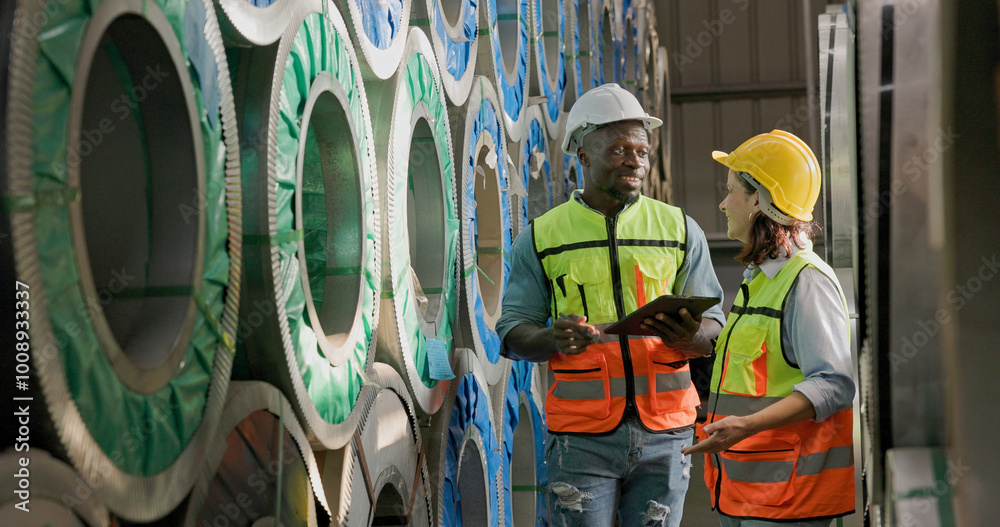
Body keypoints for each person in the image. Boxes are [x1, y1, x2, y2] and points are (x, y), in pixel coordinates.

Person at [496, 83, 726, 527]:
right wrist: (551, 337)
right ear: (582, 154)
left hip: (667, 433)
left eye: (641, 151)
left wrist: (693, 337)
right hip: (581, 440)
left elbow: (715, 325)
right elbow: (511, 333)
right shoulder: (542, 237)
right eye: (619, 149)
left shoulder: (680, 229)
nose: (634, 160)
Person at [681, 130, 856, 526]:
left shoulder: (806, 282)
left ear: (759, 199)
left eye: (731, 192)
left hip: (786, 500)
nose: (724, 203)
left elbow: (834, 383)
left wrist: (745, 426)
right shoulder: (759, 279)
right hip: (745, 495)